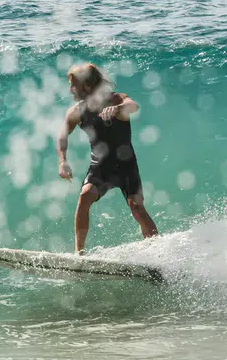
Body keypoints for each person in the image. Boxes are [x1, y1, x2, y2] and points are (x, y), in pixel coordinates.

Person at [56, 63, 158, 255]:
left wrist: (118, 108)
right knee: (85, 196)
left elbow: (133, 106)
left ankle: (157, 251)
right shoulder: (76, 111)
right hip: (100, 167)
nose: (70, 89)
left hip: (126, 166)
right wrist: (63, 161)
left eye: (73, 84)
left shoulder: (117, 100)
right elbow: (62, 136)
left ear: (86, 85)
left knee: (137, 208)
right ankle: (79, 254)